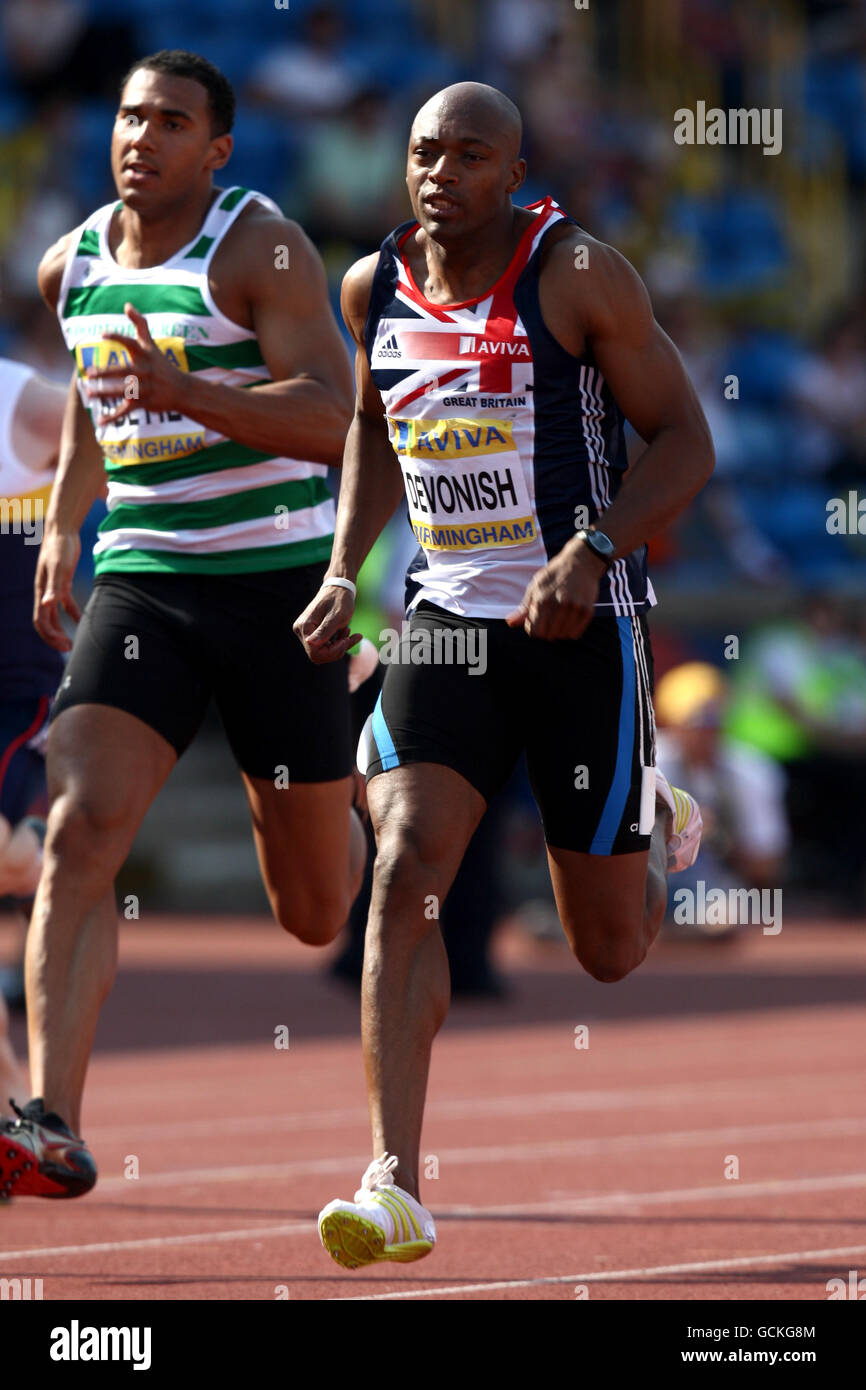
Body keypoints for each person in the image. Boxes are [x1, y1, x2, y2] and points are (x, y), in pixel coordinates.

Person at [294, 81, 714, 1266]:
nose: (439, 172)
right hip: (444, 622)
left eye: (468, 154)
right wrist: (342, 567)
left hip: (581, 625)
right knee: (404, 865)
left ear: (511, 168)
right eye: (425, 150)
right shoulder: (369, 286)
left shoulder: (576, 274)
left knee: (606, 950)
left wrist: (590, 549)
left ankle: (654, 809)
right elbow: (372, 426)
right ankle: (392, 1183)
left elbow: (685, 437)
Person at [0, 49, 366, 1201]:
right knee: (79, 825)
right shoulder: (73, 265)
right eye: (126, 115)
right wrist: (65, 527)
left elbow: (337, 417)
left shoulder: (260, 248)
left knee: (313, 911)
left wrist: (193, 394)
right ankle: (50, 1116)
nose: (138, 136)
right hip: (147, 577)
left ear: (215, 149)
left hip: (276, 584)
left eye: (169, 121)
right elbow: (98, 417)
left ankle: (369, 778)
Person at [0, 356, 67, 1116]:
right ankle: (11, 1102)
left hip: (15, 698)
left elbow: (133, 458)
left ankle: (53, 848)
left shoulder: (24, 401)